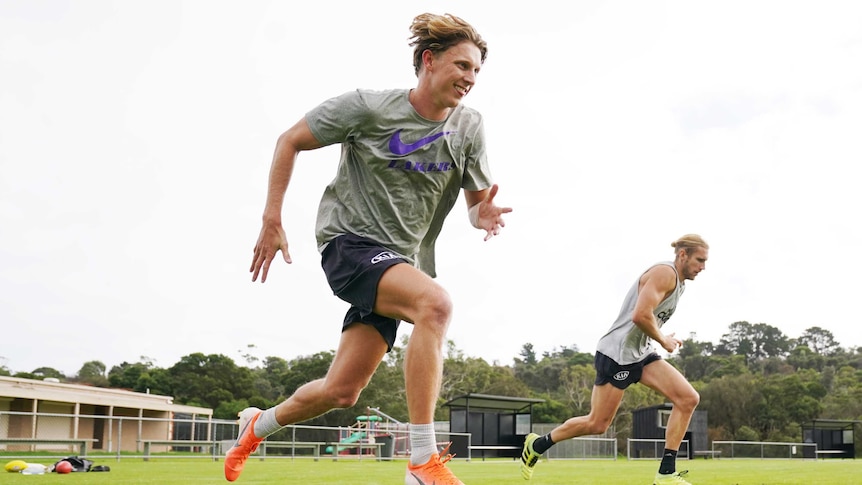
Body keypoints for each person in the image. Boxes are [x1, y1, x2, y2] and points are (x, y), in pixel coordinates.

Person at [225, 12, 511, 485]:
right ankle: (422, 460)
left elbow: (476, 203)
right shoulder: (369, 107)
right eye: (462, 66)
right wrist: (272, 218)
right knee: (434, 305)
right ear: (428, 61)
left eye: (477, 71)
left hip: (399, 263)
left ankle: (258, 424)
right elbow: (290, 140)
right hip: (350, 245)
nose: (470, 78)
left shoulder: (470, 127)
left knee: (342, 390)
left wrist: (482, 215)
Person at [520, 235, 709, 485]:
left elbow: (650, 318)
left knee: (688, 398)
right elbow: (640, 315)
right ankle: (538, 444)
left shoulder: (679, 284)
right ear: (683, 254)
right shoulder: (665, 273)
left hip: (641, 353)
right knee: (597, 423)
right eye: (700, 260)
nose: (703, 267)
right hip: (617, 355)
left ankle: (666, 473)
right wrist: (663, 340)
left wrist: (661, 335)